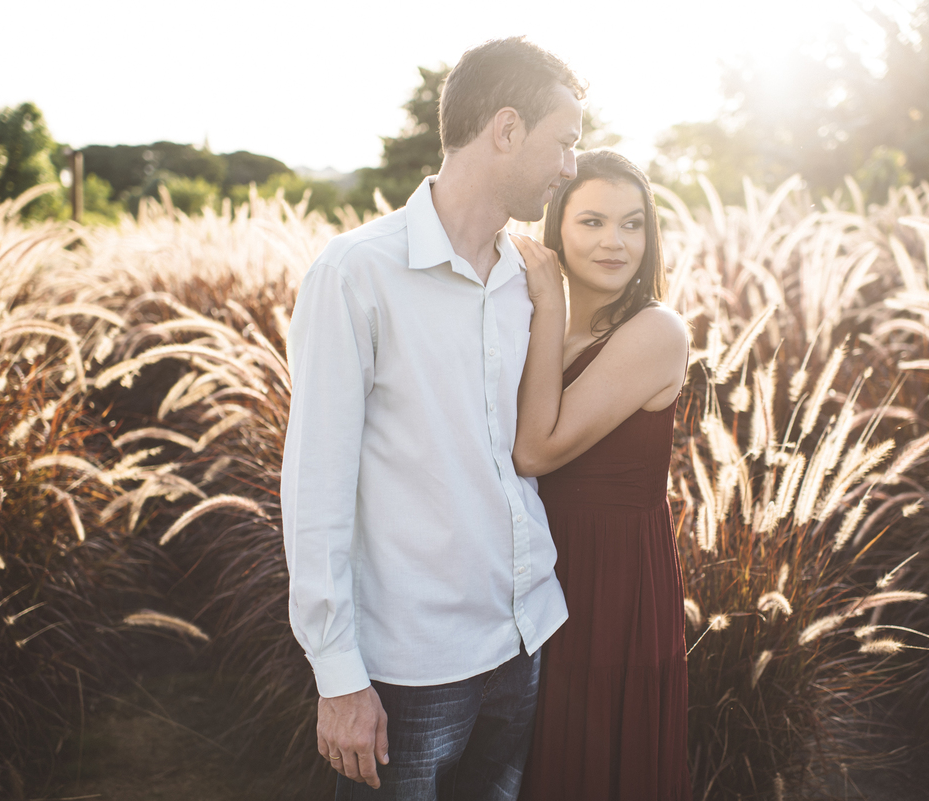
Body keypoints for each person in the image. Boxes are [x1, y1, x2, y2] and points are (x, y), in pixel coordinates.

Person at [280, 37, 585, 801]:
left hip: (523, 641)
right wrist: (338, 675)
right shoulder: (356, 273)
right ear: (507, 129)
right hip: (412, 670)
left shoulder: (530, 279)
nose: (571, 166)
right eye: (564, 142)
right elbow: (315, 486)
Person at [510, 150, 692, 801]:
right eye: (592, 221)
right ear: (557, 227)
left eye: (632, 223)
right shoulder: (533, 326)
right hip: (534, 571)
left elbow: (534, 451)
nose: (616, 241)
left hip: (612, 584)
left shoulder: (656, 331)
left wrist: (547, 304)